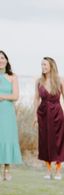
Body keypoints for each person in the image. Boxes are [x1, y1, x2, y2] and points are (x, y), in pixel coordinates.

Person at [34, 57, 64, 180]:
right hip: (43, 113)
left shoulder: (60, 81)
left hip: (57, 112)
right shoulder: (39, 81)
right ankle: (48, 171)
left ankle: (58, 171)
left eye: (45, 65)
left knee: (59, 141)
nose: (43, 67)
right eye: (42, 64)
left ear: (51, 66)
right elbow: (36, 99)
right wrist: (35, 115)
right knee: (45, 141)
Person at [0, 50, 23, 181]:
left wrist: (2, 96)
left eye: (2, 58)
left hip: (7, 112)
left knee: (7, 138)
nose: (0, 60)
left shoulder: (13, 76)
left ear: (6, 60)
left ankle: (7, 170)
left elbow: (15, 96)